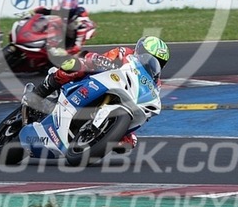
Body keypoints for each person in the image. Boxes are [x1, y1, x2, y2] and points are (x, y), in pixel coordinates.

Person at [24, 36, 170, 153]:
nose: (152, 63)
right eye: (149, 57)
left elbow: (149, 101)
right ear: (140, 50)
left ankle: (100, 139)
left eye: (158, 62)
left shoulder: (155, 83)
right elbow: (106, 57)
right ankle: (41, 91)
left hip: (125, 101)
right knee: (74, 66)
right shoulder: (125, 53)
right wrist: (101, 60)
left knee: (130, 142)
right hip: (101, 78)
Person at [29, 0, 96, 56]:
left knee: (69, 53)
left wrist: (65, 52)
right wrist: (32, 12)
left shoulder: (81, 23)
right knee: (52, 22)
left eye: (68, 12)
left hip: (80, 32)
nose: (65, 13)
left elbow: (77, 47)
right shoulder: (58, 9)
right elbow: (43, 9)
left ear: (73, 11)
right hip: (67, 27)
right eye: (63, 10)